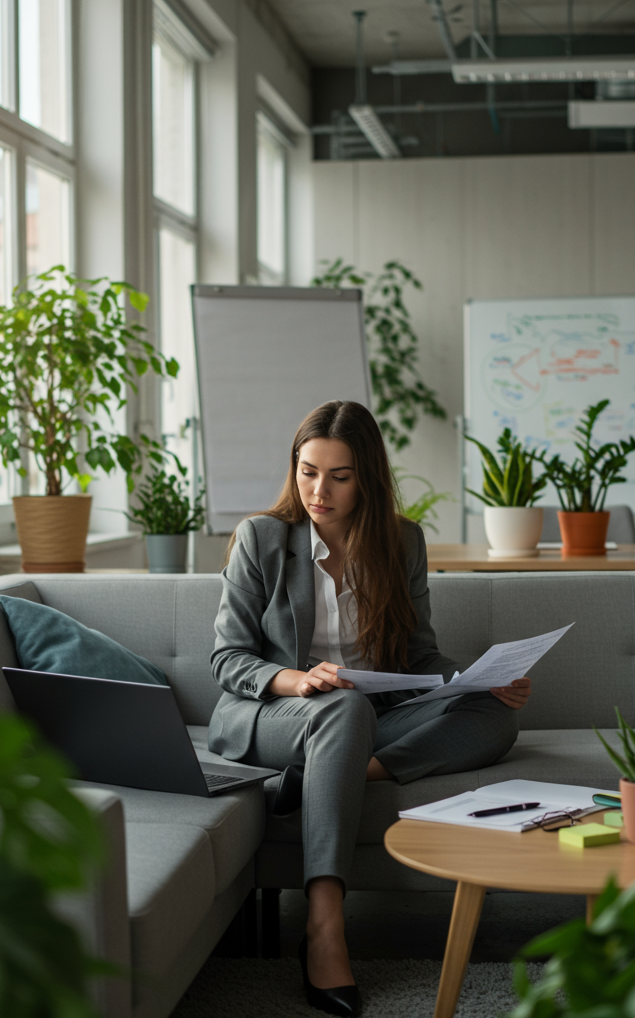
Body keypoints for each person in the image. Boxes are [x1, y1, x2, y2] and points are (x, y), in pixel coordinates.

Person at [208, 400, 531, 1017]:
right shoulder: (263, 538)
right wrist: (298, 680)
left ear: (369, 479)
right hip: (275, 715)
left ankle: (335, 773)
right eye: (307, 471)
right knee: (343, 712)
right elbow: (227, 660)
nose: (318, 490)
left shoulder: (402, 542)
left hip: (368, 718)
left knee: (495, 716)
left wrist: (475, 681)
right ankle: (326, 923)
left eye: (339, 475)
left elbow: (420, 658)